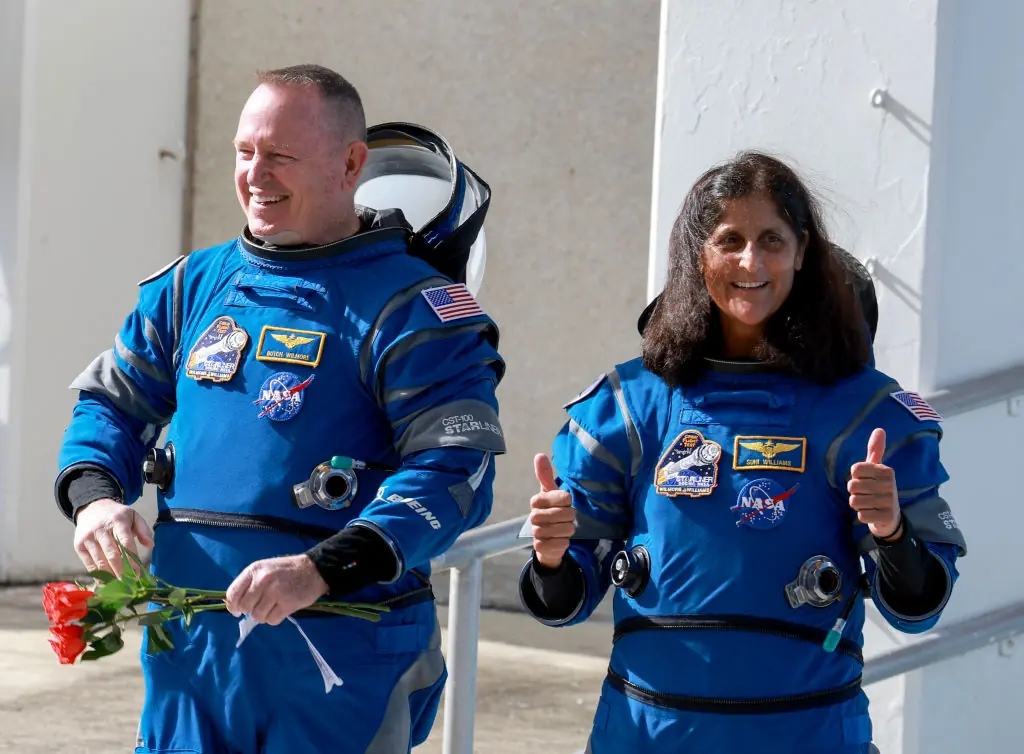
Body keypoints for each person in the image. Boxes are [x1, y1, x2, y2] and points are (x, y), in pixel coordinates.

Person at [55, 64, 505, 753]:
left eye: (280, 156)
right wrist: (95, 501)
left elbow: (454, 472)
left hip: (342, 668)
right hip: (192, 661)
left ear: (350, 164)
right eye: (245, 152)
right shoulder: (190, 287)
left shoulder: (414, 310)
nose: (255, 175)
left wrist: (322, 568)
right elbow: (110, 406)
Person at [518, 151, 965, 753]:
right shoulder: (628, 405)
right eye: (729, 240)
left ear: (802, 252)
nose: (750, 261)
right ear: (698, 253)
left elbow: (920, 606)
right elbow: (563, 601)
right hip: (646, 737)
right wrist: (550, 561)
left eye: (771, 240)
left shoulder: (868, 416)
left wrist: (892, 533)